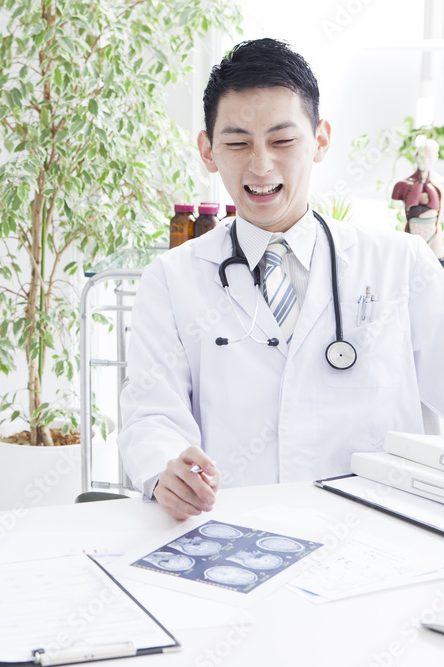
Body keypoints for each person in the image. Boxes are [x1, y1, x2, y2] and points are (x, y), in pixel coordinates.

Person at [117, 39, 444, 520]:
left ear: (321, 140)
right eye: (236, 142)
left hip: (376, 541)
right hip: (234, 539)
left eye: (282, 140)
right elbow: (151, 416)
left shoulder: (402, 264)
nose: (261, 165)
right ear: (208, 150)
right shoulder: (172, 279)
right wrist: (166, 471)